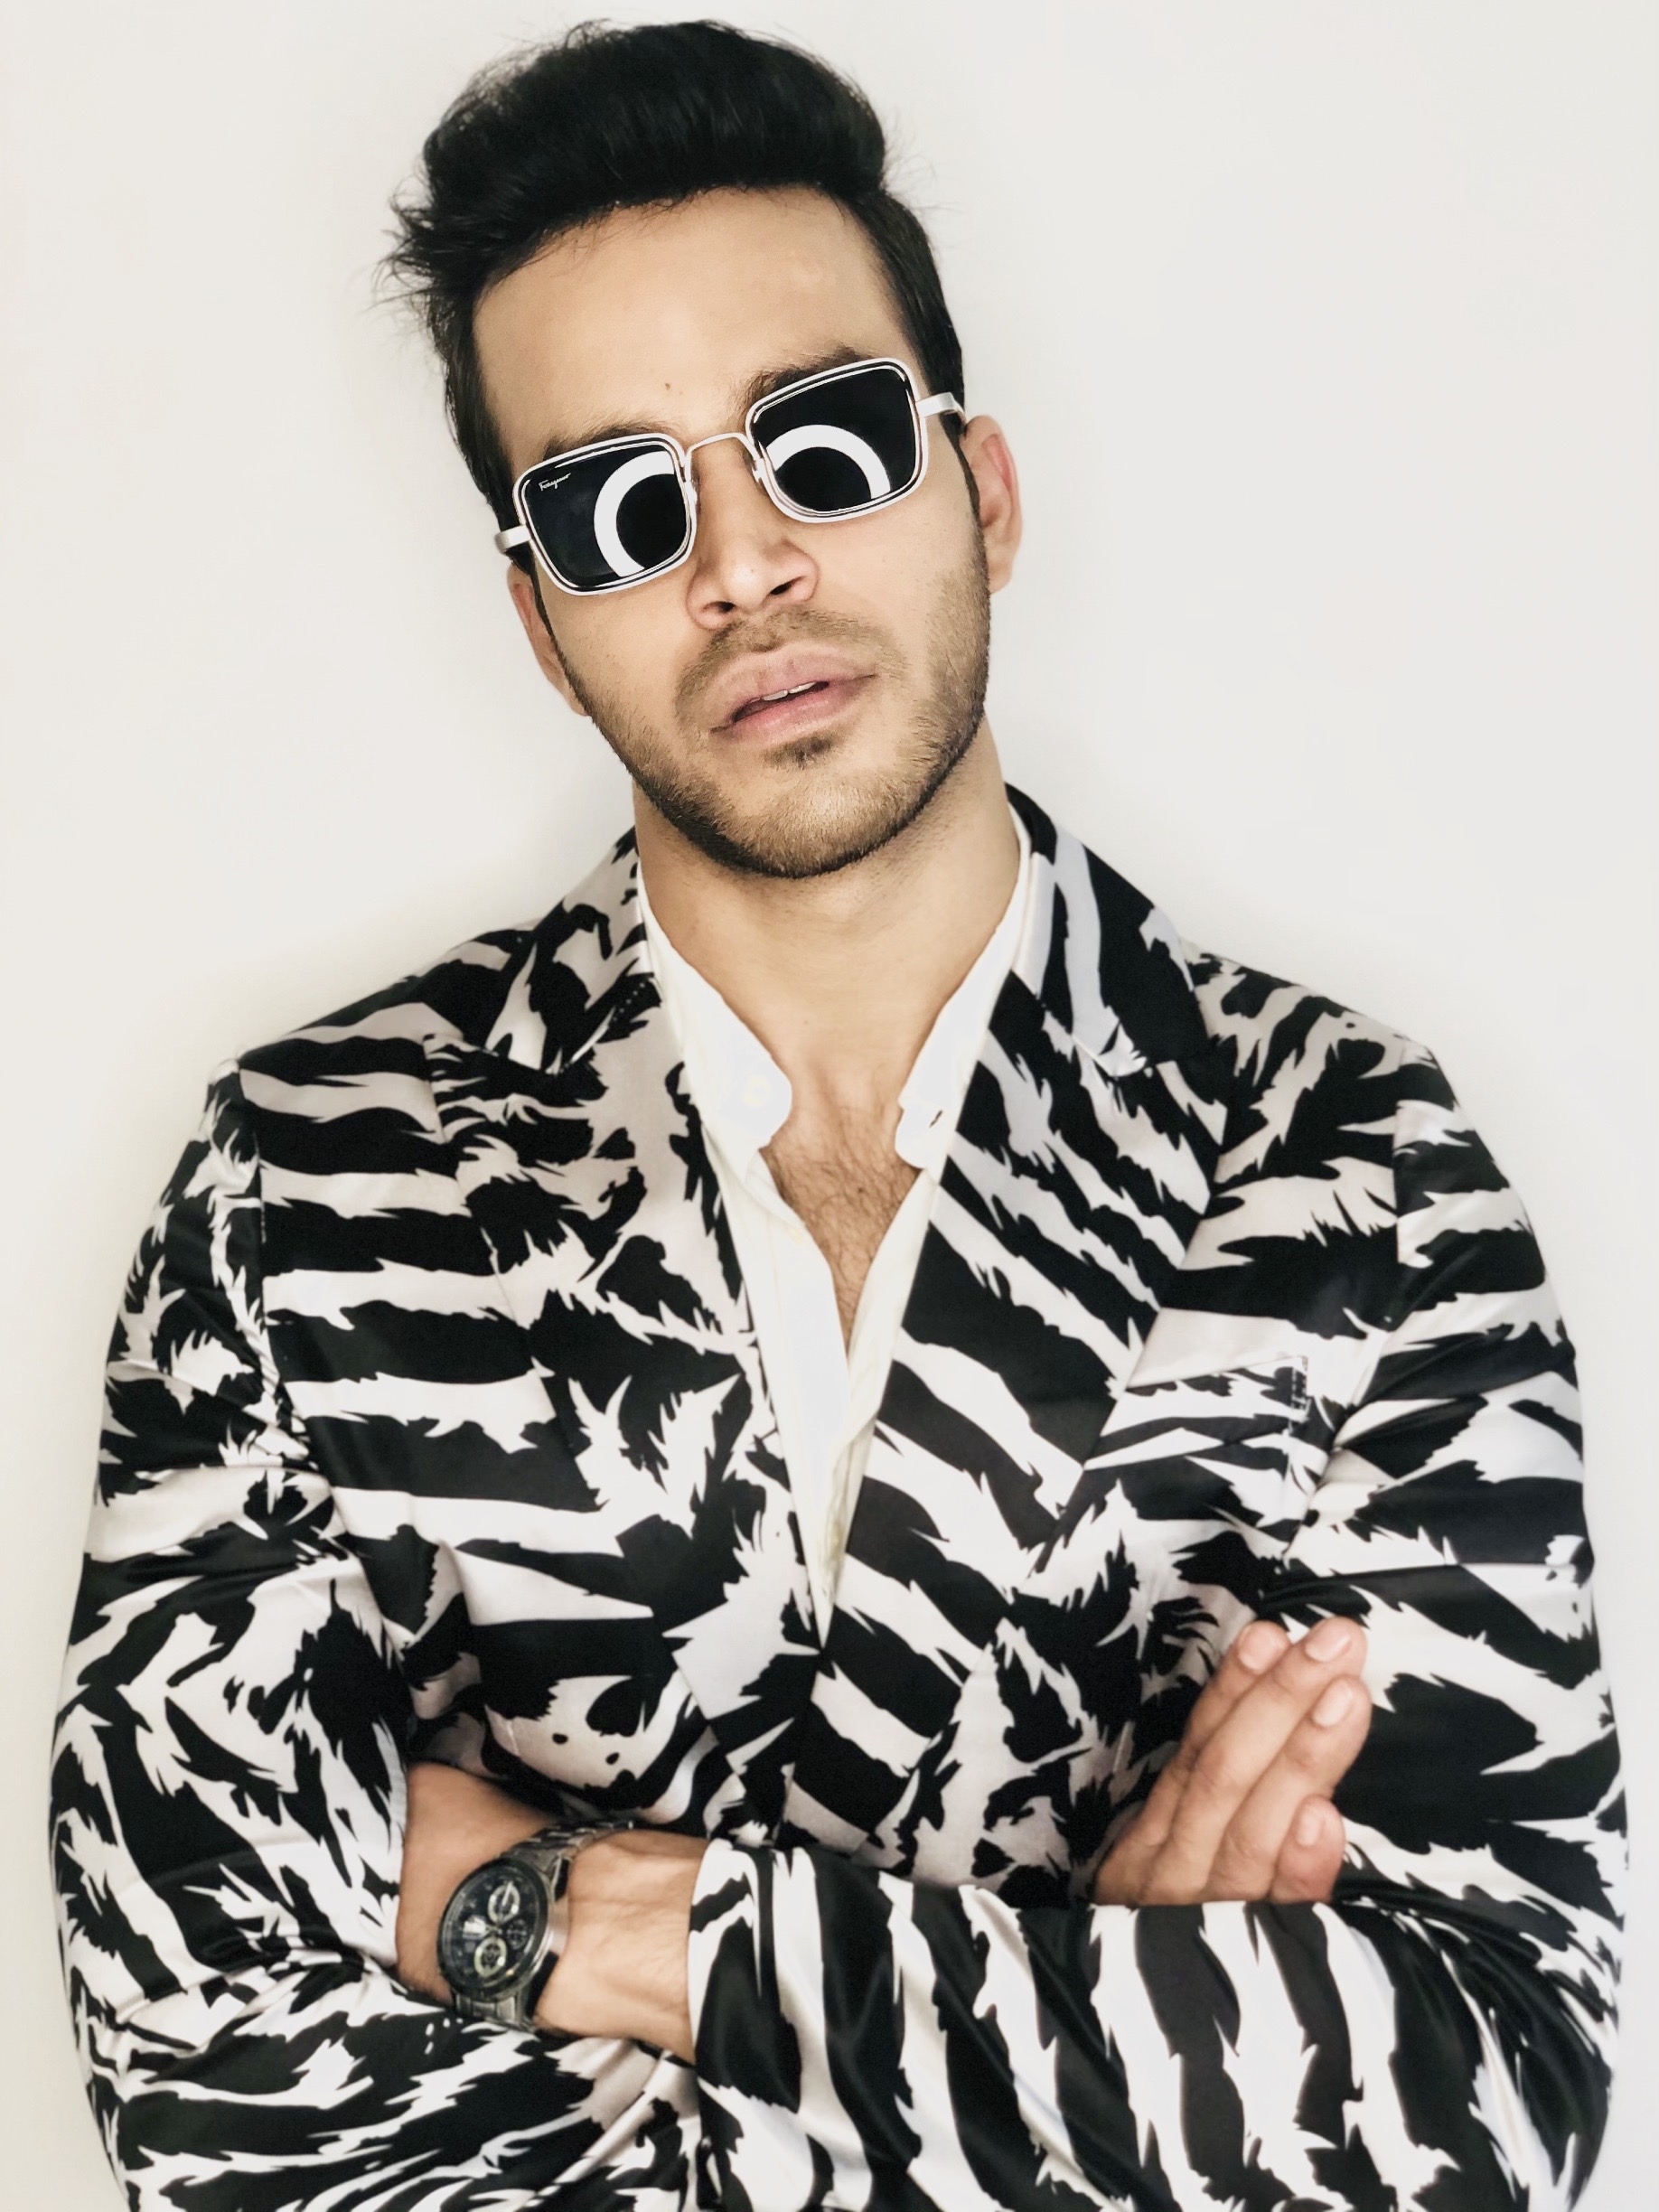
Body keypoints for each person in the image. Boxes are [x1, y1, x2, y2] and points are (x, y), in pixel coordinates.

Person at [49, 21, 1624, 2210]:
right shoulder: (303, 1189)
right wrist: (1087, 2031)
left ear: (984, 489)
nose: (745, 562)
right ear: (541, 625)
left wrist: (618, 1923)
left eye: (826, 439)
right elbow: (203, 2069)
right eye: (619, 508)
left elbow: (1486, 2087)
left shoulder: (1359, 1172)